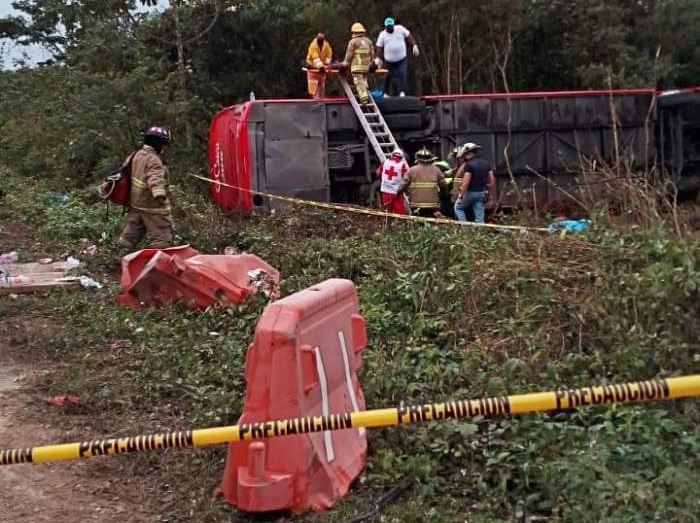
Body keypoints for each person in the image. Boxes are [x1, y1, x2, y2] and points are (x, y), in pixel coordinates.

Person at [118, 126, 173, 250]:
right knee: (162, 237)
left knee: (130, 235)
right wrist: (160, 197)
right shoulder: (154, 160)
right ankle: (159, 262)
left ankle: (116, 256)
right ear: (159, 144)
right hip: (152, 206)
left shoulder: (135, 155)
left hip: (136, 203)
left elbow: (125, 172)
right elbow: (155, 180)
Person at [375, 16, 419, 97]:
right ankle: (386, 93)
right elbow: (379, 48)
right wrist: (378, 58)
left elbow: (409, 36)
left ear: (393, 25)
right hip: (389, 61)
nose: (390, 28)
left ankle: (402, 92)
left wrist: (414, 45)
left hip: (401, 59)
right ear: (385, 27)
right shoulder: (382, 35)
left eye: (391, 26)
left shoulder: (400, 29)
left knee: (402, 74)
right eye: (388, 27)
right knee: (388, 76)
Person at [399, 147, 446, 217]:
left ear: (417, 158)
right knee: (430, 222)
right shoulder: (436, 170)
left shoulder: (412, 170)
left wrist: (398, 191)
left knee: (417, 223)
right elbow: (444, 185)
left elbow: (403, 184)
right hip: (432, 205)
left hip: (416, 204)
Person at [455, 143, 496, 224]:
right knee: (479, 213)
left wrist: (461, 195)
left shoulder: (468, 165)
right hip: (481, 193)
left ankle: (464, 228)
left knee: (458, 207)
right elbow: (492, 182)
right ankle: (479, 232)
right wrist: (486, 186)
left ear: (467, 153)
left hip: (470, 192)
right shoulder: (486, 163)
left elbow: (466, 182)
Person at [342, 22, 374, 105]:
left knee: (358, 82)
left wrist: (345, 63)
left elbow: (349, 55)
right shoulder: (368, 41)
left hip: (356, 67)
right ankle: (365, 90)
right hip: (366, 67)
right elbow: (372, 54)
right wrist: (371, 63)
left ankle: (364, 99)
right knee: (364, 80)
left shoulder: (353, 42)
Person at [376, 148, 409, 214]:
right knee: (398, 211)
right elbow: (406, 177)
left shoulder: (385, 162)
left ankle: (387, 223)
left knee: (387, 210)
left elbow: (378, 173)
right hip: (396, 192)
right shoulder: (402, 165)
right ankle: (398, 223)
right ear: (401, 157)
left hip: (385, 190)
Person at [305, 30, 333, 99]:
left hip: (322, 68)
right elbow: (315, 57)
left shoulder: (326, 45)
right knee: (314, 88)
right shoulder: (313, 45)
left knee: (322, 86)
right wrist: (321, 67)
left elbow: (329, 54)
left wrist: (326, 65)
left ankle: (322, 100)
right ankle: (316, 100)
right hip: (312, 67)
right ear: (317, 37)